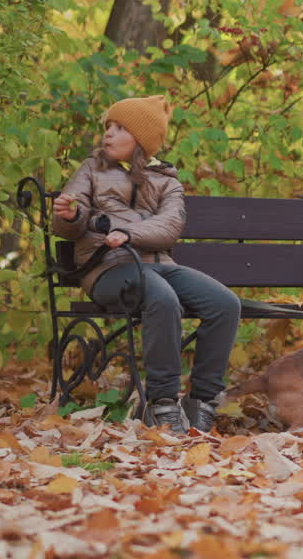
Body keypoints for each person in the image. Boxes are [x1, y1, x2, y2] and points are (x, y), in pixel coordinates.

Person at [50, 95, 241, 434]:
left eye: (120, 128)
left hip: (158, 266)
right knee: (163, 298)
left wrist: (129, 232)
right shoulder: (92, 169)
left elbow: (170, 227)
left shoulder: (167, 180)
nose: (108, 133)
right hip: (106, 270)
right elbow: (71, 221)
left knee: (225, 303)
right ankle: (161, 404)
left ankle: (201, 403)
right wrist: (70, 215)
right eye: (108, 126)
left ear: (141, 140)